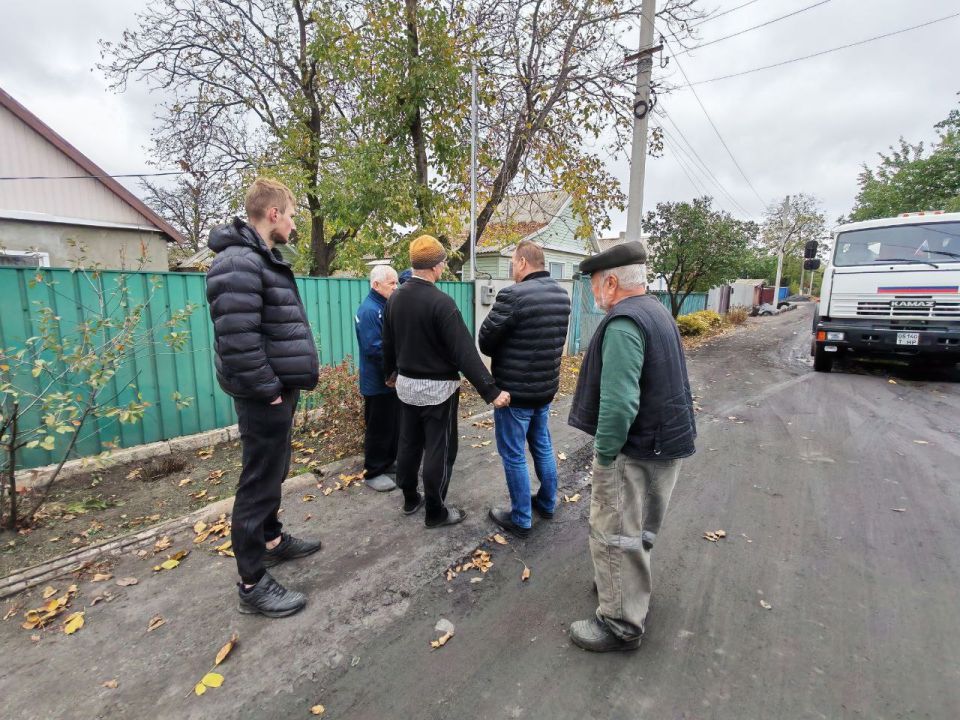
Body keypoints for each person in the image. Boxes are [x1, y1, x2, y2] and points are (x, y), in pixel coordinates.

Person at [566, 241, 696, 652]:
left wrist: (605, 455)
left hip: (636, 449)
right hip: (666, 443)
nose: (592, 294)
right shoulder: (657, 312)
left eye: (593, 285)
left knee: (615, 532)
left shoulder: (623, 323)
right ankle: (623, 586)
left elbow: (619, 402)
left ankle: (621, 623)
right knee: (638, 530)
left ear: (610, 281)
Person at [206, 178, 322, 618]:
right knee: (257, 483)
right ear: (273, 214)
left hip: (275, 392)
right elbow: (237, 341)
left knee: (275, 469)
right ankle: (252, 583)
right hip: (263, 396)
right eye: (291, 214)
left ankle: (271, 540)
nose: (293, 223)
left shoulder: (257, 259)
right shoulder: (237, 263)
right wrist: (270, 391)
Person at [382, 234, 511, 528]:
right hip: (438, 391)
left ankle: (410, 498)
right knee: (440, 450)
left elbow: (387, 341)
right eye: (442, 263)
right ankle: (435, 512)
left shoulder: (395, 298)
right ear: (436, 266)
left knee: (409, 442)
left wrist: (389, 373)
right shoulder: (442, 303)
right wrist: (491, 391)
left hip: (406, 387)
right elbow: (464, 352)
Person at [478, 241, 571, 537]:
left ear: (521, 262)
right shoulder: (562, 295)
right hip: (544, 390)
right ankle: (546, 503)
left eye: (512, 263)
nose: (511, 270)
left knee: (514, 454)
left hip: (514, 394)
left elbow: (486, 341)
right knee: (542, 445)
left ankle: (520, 518)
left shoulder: (513, 295)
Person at [355, 265, 400, 492]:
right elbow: (375, 349)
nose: (396, 286)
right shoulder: (370, 310)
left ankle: (388, 462)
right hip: (378, 382)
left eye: (396, 282)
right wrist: (395, 370)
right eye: (391, 283)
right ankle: (373, 471)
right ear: (376, 285)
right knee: (378, 428)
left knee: (392, 425)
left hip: (390, 380)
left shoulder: (384, 306)